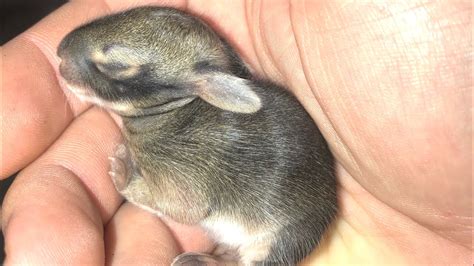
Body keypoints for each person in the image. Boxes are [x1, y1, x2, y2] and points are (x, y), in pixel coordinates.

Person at [1, 1, 471, 264]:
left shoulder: (175, 142)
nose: (67, 61)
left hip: (281, 221)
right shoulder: (184, 117)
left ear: (204, 89)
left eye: (116, 67)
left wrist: (133, 184)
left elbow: (186, 202)